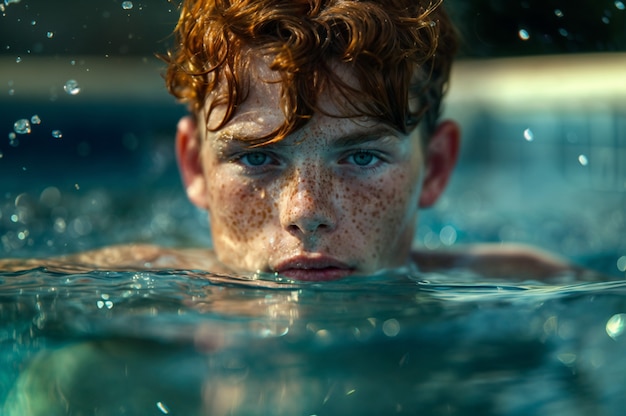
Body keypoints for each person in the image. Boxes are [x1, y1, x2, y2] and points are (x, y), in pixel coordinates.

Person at [0, 0, 578, 280]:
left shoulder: (530, 290)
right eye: (256, 157)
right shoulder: (109, 313)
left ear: (436, 167)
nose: (307, 212)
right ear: (193, 167)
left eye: (361, 155)